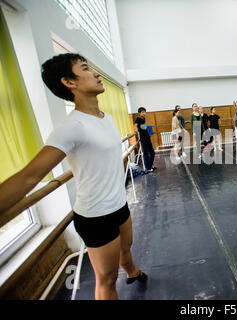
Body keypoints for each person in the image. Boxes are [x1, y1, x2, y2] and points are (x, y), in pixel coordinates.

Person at [0, 53, 146, 300]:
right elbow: (29, 176)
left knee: (126, 247)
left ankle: (131, 271)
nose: (96, 73)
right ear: (70, 82)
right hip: (95, 216)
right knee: (107, 280)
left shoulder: (106, 118)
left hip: (119, 204)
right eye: (86, 68)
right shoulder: (72, 127)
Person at [134, 107, 156, 172]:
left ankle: (150, 165)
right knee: (145, 153)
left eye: (144, 112)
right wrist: (136, 130)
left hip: (147, 137)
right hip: (143, 139)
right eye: (142, 112)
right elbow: (135, 125)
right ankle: (148, 168)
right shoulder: (138, 118)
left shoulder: (143, 118)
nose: (144, 113)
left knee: (152, 152)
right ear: (139, 113)